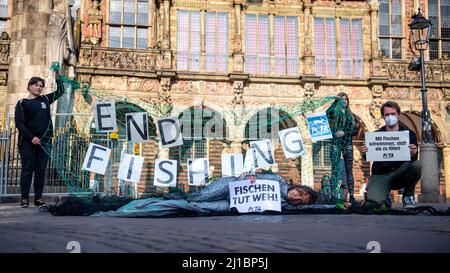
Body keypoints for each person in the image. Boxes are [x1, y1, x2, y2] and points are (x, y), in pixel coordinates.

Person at [92, 173, 318, 217]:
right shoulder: (278, 181)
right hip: (231, 186)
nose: (297, 197)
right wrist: (251, 177)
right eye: (300, 192)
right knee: (196, 199)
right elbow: (258, 173)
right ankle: (149, 203)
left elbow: (319, 208)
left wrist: (342, 207)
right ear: (298, 187)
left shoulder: (285, 206)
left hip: (232, 207)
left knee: (200, 209)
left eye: (301, 200)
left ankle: (161, 208)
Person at [14, 74, 66, 207]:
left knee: (41, 170)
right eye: (36, 85)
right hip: (27, 142)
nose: (39, 88)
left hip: (45, 141)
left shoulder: (45, 99)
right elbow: (19, 124)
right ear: (30, 86)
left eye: (41, 86)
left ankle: (38, 199)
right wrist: (32, 137)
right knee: (27, 169)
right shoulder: (22, 103)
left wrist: (58, 77)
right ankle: (24, 199)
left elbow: (60, 91)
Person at [360, 101, 421, 209]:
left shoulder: (409, 134)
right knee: (374, 203)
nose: (390, 117)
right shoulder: (375, 135)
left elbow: (413, 158)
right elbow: (368, 156)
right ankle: (384, 197)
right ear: (383, 117)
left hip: (400, 173)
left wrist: (414, 153)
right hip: (381, 174)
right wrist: (365, 153)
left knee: (416, 165)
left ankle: (408, 196)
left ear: (398, 115)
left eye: (393, 114)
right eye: (387, 115)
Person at [326, 92, 358, 204]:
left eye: (346, 99)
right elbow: (326, 114)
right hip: (335, 143)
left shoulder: (351, 115)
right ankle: (334, 195)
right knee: (334, 169)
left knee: (349, 170)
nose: (344, 101)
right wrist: (335, 102)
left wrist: (345, 133)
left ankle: (352, 195)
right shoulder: (333, 112)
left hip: (347, 144)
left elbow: (355, 131)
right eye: (342, 99)